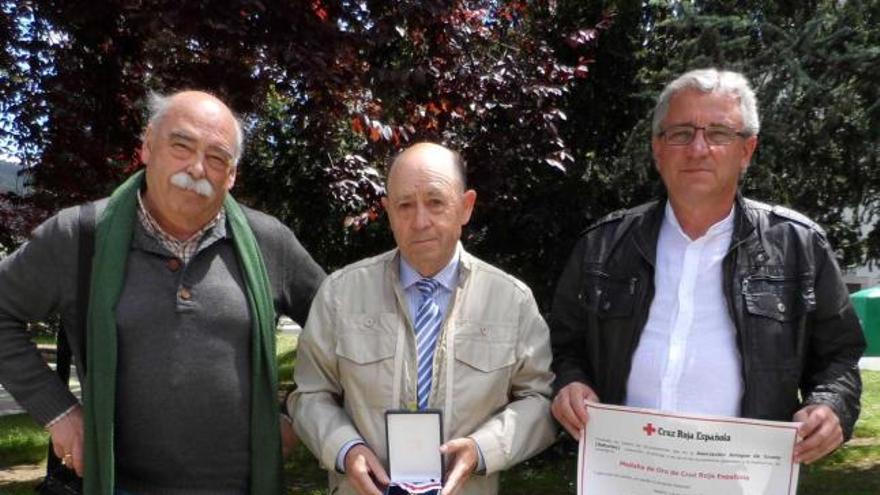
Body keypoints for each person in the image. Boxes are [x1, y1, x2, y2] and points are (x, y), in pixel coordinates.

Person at [0, 90, 326, 494]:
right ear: (147, 146)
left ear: (232, 174)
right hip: (117, 484)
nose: (197, 167)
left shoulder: (268, 243)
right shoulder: (80, 236)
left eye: (217, 157)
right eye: (182, 145)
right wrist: (59, 412)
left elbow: (342, 332)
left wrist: (297, 413)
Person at [550, 68, 865, 465]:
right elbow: (564, 346)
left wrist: (832, 406)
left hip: (741, 479)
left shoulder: (799, 246)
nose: (697, 149)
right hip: (624, 474)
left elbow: (840, 358)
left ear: (747, 150)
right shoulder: (603, 245)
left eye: (718, 134)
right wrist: (570, 382)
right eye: (681, 133)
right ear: (657, 148)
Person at [290, 142, 556, 495]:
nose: (419, 221)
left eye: (435, 202)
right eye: (404, 205)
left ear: (466, 207)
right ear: (388, 211)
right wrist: (344, 448)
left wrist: (483, 449)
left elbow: (540, 398)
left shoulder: (512, 301)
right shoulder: (341, 293)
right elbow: (309, 393)